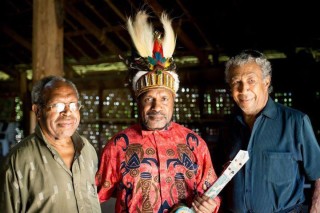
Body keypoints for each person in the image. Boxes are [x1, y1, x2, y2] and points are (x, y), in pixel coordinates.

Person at [95, 10, 221, 213]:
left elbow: (212, 195)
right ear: (138, 102)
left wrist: (210, 206)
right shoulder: (118, 146)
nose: (156, 107)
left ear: (173, 101)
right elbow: (92, 195)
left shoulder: (195, 144)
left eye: (164, 99)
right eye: (149, 99)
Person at [218, 49, 320, 212]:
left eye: (251, 80)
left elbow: (319, 172)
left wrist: (316, 208)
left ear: (266, 82)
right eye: (237, 82)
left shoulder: (295, 122)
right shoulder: (228, 126)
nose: (244, 90)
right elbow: (219, 176)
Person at [0, 76, 101, 213]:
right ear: (38, 111)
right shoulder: (18, 160)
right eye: (57, 105)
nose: (67, 112)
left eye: (73, 104)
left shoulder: (87, 149)